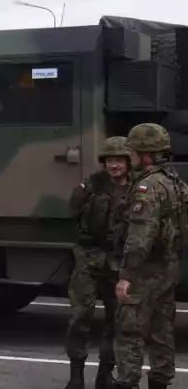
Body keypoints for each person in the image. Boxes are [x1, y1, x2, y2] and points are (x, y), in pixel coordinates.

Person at [112, 123, 188, 389]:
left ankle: (127, 382)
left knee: (129, 332)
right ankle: (160, 381)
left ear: (145, 154)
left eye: (132, 151)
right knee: (161, 331)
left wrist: (126, 276)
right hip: (168, 268)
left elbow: (140, 236)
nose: (129, 156)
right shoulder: (175, 182)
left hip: (145, 270)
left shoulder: (147, 187)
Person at [64, 136, 132, 389]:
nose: (114, 165)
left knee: (116, 322)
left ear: (128, 162)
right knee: (80, 317)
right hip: (88, 257)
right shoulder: (91, 184)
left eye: (119, 160)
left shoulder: (136, 188)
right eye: (110, 160)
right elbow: (73, 211)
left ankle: (105, 374)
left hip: (118, 262)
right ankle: (76, 377)